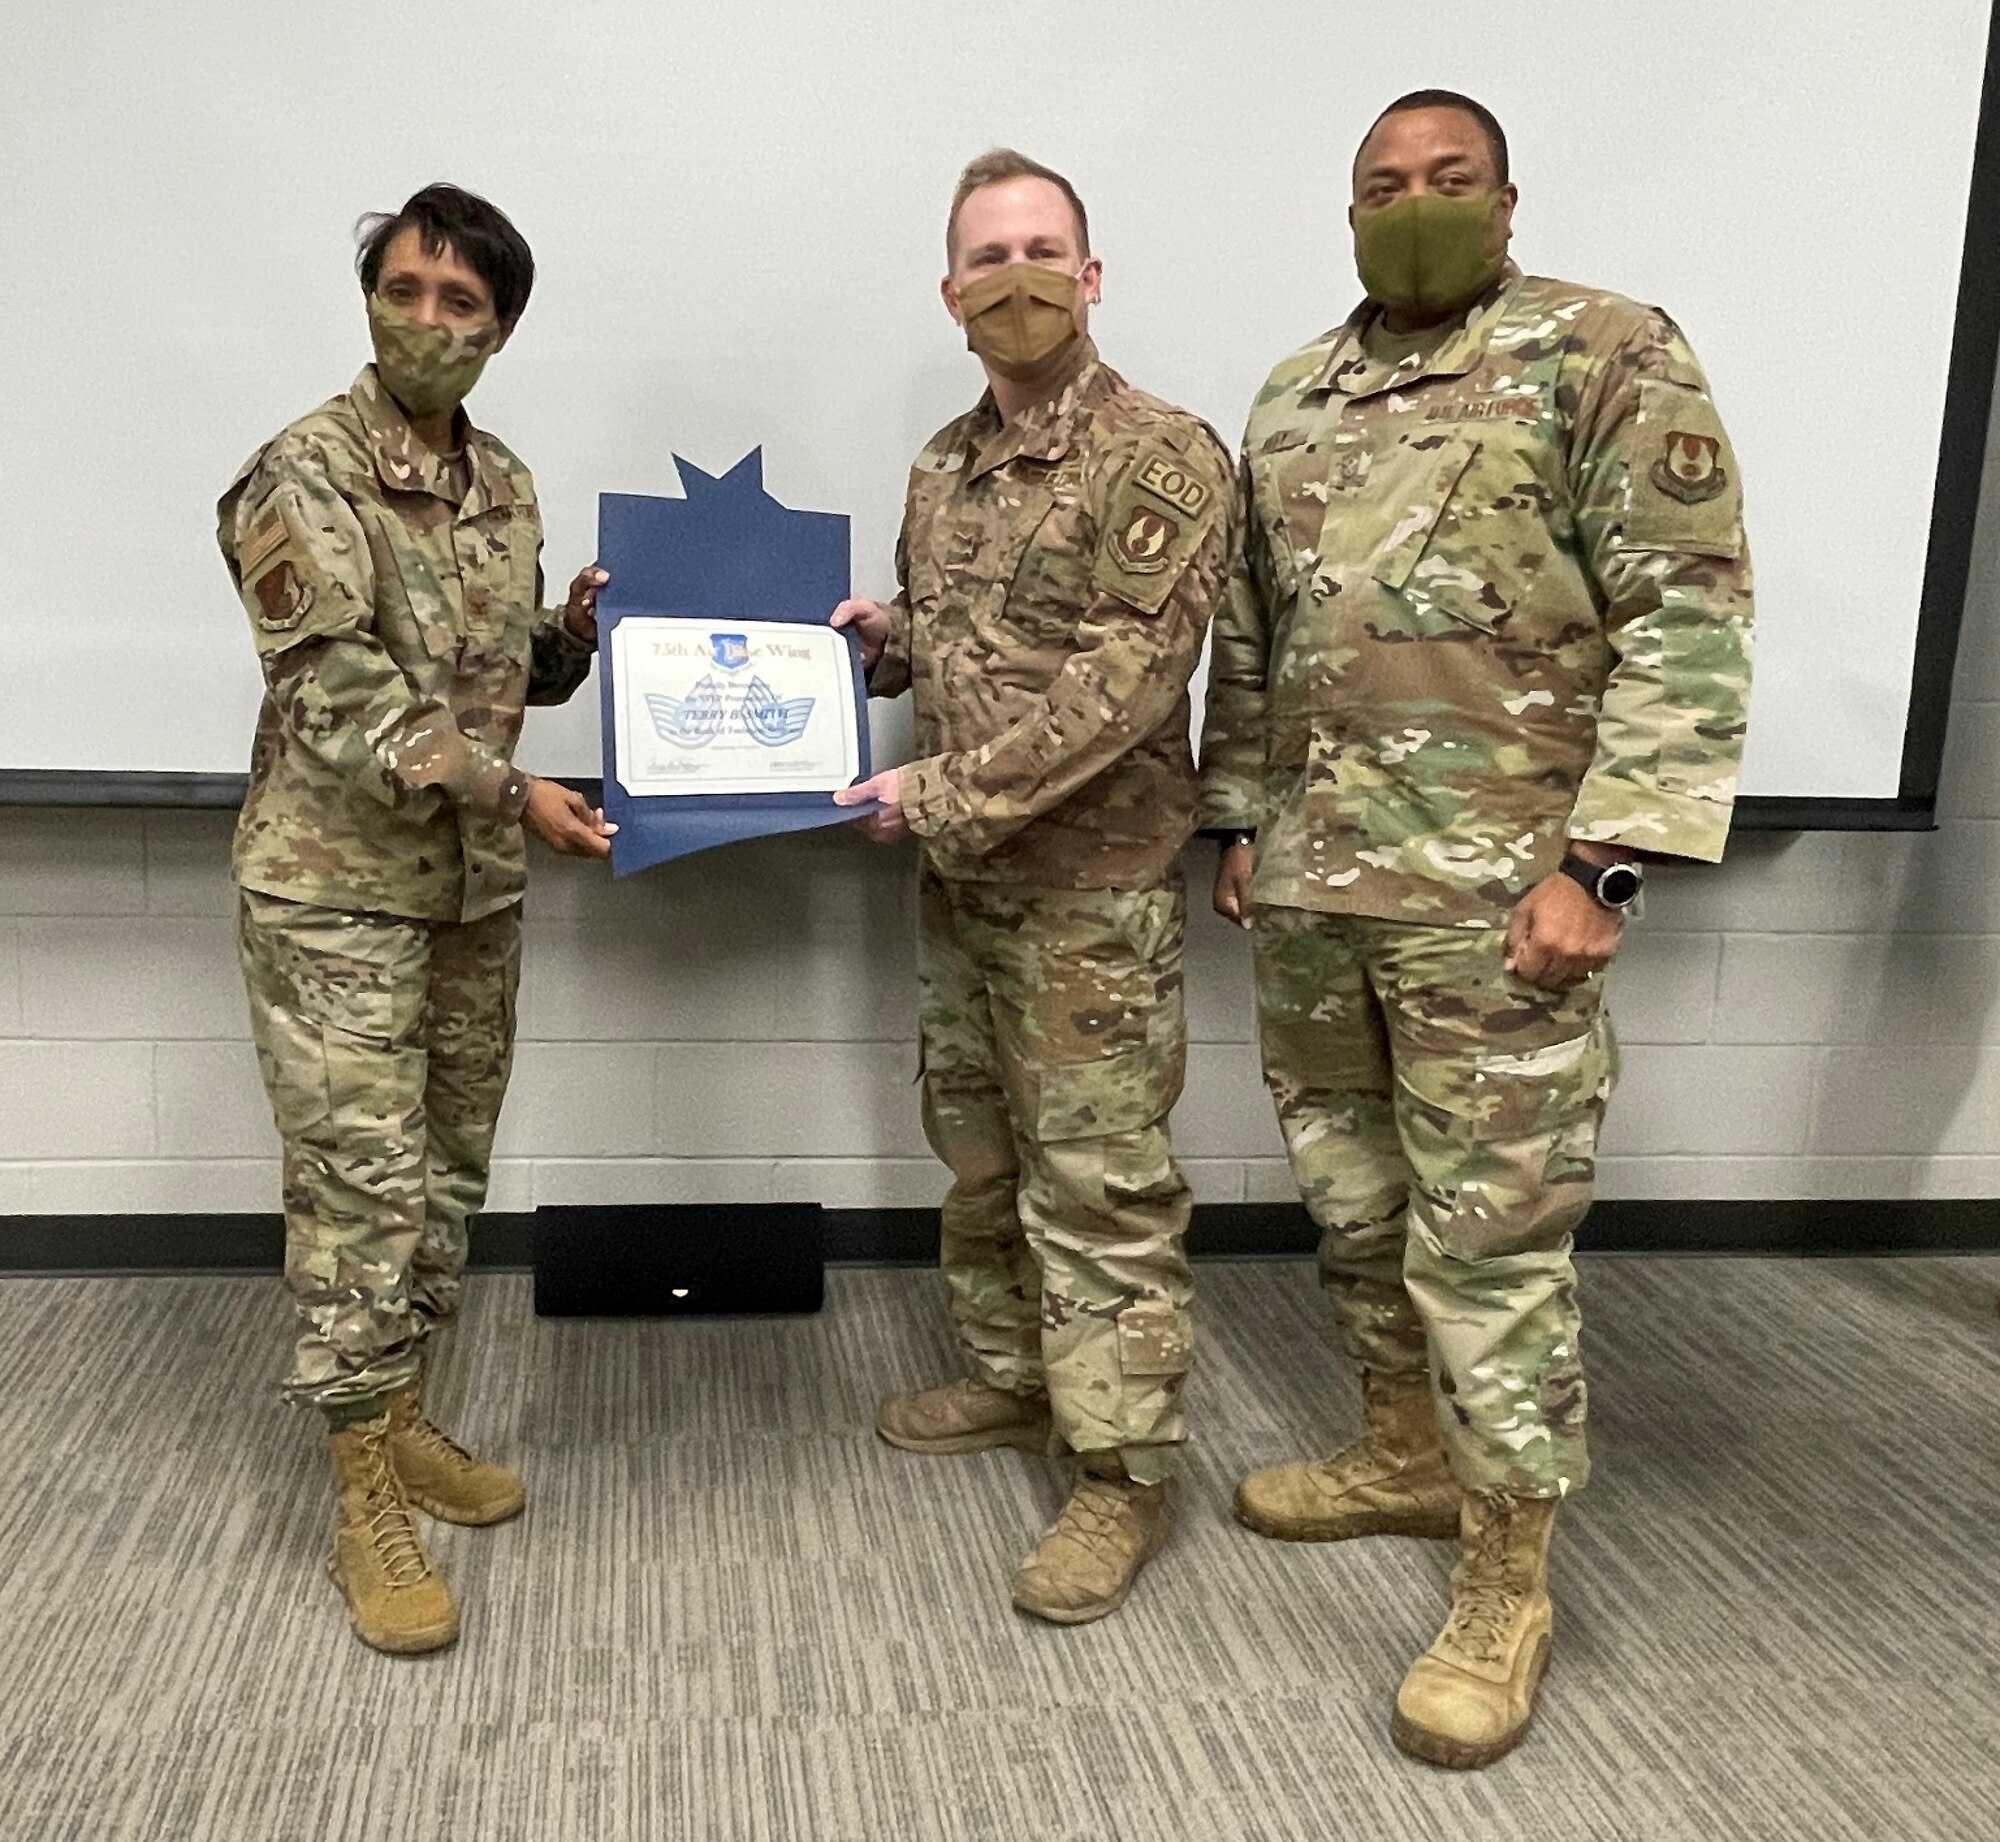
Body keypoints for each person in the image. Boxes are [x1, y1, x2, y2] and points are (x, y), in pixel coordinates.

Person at [1199, 91, 1753, 1766]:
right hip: (1314, 888)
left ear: (1509, 200)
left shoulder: (1606, 352)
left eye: (1448, 181)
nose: (1414, 205)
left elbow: (1690, 613)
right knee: (1358, 1207)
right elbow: (1254, 627)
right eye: (1382, 186)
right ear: (1345, 210)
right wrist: (1237, 814)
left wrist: (1611, 865)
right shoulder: (1295, 391)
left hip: (1500, 900)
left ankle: (1508, 1572)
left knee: (1492, 1248)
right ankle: (1400, 1453)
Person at [830, 149, 1236, 1624]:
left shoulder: (1164, 453)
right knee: (982, 1151)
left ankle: (1122, 1470)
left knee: (1102, 1185)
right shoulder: (944, 464)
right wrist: (873, 646)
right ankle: (1015, 1379)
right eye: (989, 258)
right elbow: (968, 644)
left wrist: (932, 790)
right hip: (965, 886)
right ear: (951, 294)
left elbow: (1125, 687)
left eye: (1043, 249)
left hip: (1087, 898)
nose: (1018, 277)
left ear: (1093, 273)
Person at [218, 183, 614, 1655]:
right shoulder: (298, 472)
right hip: (338, 901)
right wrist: (521, 797)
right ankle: (358, 1493)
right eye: (406, 290)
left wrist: (577, 628)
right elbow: (342, 698)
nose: (430, 321)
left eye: (463, 303)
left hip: (466, 900)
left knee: (442, 1182)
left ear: (501, 327)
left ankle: (408, 1419)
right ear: (370, 297)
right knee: (358, 1196)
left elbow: (496, 665)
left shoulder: (502, 480)